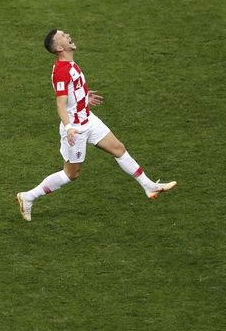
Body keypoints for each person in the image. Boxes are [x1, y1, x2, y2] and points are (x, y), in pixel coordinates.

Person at [15, 29, 176, 221]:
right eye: (63, 36)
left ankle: (148, 186)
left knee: (119, 149)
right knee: (70, 174)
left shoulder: (70, 64)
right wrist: (69, 128)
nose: (68, 35)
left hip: (88, 119)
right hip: (76, 128)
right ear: (60, 47)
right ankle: (28, 197)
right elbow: (60, 104)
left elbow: (71, 92)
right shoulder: (61, 70)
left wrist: (84, 96)